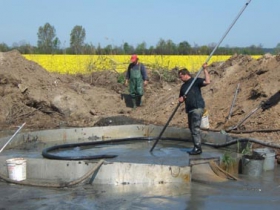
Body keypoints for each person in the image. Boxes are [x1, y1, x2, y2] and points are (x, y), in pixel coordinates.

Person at [178, 63, 210, 155]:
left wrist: (205, 70)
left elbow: (207, 82)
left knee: (195, 128)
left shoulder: (195, 81)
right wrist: (181, 99)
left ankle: (197, 148)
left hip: (197, 107)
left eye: (181, 77)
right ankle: (196, 146)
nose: (180, 79)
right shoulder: (183, 86)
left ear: (185, 74)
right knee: (192, 128)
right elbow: (180, 99)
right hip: (189, 109)